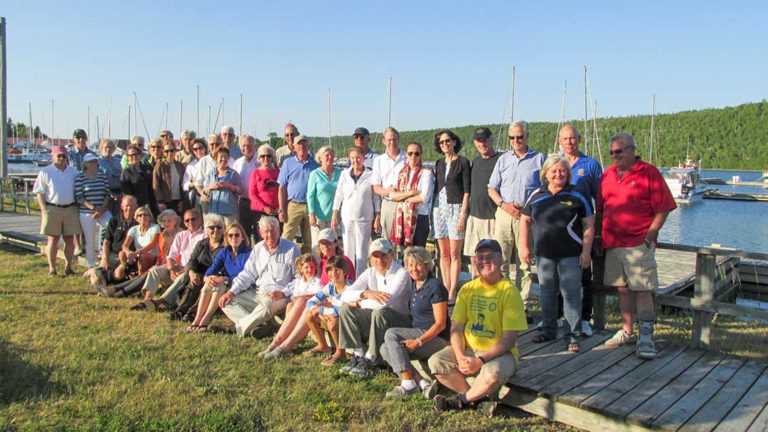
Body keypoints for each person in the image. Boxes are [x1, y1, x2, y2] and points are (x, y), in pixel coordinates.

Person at [598, 133, 676, 359]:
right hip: (613, 243)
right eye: (612, 152)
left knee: (642, 291)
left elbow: (664, 207)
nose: (615, 156)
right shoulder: (608, 174)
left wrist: (651, 235)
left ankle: (646, 338)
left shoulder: (649, 173)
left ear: (632, 150)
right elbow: (601, 207)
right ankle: (627, 331)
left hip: (638, 243)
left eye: (619, 151)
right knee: (622, 289)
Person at [429, 239, 527, 413]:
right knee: (435, 362)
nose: (485, 261)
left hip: (499, 354)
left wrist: (480, 360)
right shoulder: (467, 289)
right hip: (469, 349)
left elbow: (509, 339)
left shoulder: (510, 292)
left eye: (490, 256)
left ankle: (461, 400)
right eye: (480, 257)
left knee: (492, 375)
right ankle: (477, 399)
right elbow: (457, 328)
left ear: (501, 259)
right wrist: (459, 356)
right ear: (474, 261)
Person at [519, 154, 595, 352]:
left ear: (568, 173)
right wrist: (524, 247)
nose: (558, 174)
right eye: (554, 171)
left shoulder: (577, 194)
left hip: (571, 253)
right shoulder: (537, 194)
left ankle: (572, 334)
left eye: (562, 170)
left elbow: (589, 225)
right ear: (546, 173)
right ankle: (548, 329)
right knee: (547, 292)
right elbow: (524, 220)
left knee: (571, 293)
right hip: (544, 253)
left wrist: (586, 252)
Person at [487, 120, 546, 322]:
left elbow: (545, 188)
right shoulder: (503, 160)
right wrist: (504, 205)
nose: (516, 141)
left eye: (520, 137)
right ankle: (502, 303)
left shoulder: (539, 159)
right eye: (512, 138)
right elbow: (491, 188)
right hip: (504, 212)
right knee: (499, 260)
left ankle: (523, 306)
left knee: (525, 262)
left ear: (527, 137)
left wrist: (530, 208)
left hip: (527, 216)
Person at [380, 246, 450, 398]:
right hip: (417, 330)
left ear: (426, 264)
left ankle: (408, 384)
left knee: (391, 334)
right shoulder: (414, 284)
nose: (414, 269)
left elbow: (440, 324)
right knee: (385, 348)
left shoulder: (435, 286)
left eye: (418, 264)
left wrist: (418, 341)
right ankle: (421, 383)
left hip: (435, 338)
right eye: (410, 265)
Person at [337, 238, 411, 377]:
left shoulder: (401, 273)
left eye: (383, 255)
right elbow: (344, 295)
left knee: (379, 312)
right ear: (370, 258)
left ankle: (371, 358)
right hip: (377, 320)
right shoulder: (369, 272)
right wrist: (365, 293)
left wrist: (360, 302)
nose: (379, 259)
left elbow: (385, 302)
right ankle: (358, 354)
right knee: (346, 308)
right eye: (375, 256)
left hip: (400, 322)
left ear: (391, 254)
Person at [218, 216, 300, 337]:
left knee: (267, 306)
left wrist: (283, 292)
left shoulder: (292, 249)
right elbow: (248, 274)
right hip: (258, 293)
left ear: (279, 231)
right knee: (227, 302)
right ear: (261, 233)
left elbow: (299, 279)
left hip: (279, 296)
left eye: (273, 230)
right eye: (266, 231)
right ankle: (261, 325)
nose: (270, 235)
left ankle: (236, 328)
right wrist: (231, 292)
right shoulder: (258, 248)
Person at [559, 124, 603, 336]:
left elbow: (600, 198)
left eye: (573, 138)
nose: (569, 142)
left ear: (579, 139)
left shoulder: (591, 165)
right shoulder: (555, 164)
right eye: (565, 139)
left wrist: (598, 230)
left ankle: (585, 319)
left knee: (584, 275)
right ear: (560, 141)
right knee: (559, 274)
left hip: (582, 228)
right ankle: (560, 316)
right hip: (559, 229)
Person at [187, 222, 251, 332]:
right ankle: (197, 320)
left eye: (237, 235)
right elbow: (211, 270)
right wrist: (207, 278)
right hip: (227, 284)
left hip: (242, 286)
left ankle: (205, 320)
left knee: (219, 285)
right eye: (230, 235)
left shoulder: (248, 253)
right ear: (226, 237)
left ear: (243, 237)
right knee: (210, 284)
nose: (233, 238)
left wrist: (225, 280)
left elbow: (247, 277)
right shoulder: (225, 251)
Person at [259, 253, 323, 358]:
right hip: (296, 308)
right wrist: (281, 293)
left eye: (312, 267)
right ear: (301, 268)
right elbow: (287, 290)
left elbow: (320, 294)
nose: (309, 270)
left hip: (308, 307)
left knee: (300, 302)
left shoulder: (317, 282)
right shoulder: (298, 282)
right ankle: (275, 343)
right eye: (306, 267)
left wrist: (303, 297)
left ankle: (283, 345)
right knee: (290, 305)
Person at [432, 129, 471, 301]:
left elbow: (467, 191)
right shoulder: (439, 163)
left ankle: (453, 291)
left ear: (454, 142)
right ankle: (446, 287)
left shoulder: (463, 162)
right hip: (439, 208)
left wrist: (463, 214)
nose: (445, 144)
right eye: (441, 142)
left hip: (456, 208)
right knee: (444, 253)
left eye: (448, 141)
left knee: (455, 253)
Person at [331, 146, 381, 277]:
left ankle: (360, 280)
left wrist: (377, 216)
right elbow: (339, 194)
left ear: (363, 158)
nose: (355, 160)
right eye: (352, 158)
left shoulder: (370, 175)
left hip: (364, 219)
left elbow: (376, 198)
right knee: (348, 251)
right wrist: (335, 213)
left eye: (358, 157)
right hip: (347, 218)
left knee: (362, 252)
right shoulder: (344, 174)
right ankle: (348, 278)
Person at [167, 213, 226, 321]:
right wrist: (191, 272)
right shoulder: (202, 243)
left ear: (223, 229)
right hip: (200, 273)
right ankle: (180, 310)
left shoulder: (226, 246)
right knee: (195, 279)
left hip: (217, 276)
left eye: (219, 227)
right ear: (206, 230)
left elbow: (224, 267)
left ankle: (193, 312)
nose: (215, 230)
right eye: (212, 228)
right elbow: (192, 259)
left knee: (206, 282)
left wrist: (207, 277)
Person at [33, 145, 81, 276]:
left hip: (71, 208)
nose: (61, 158)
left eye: (64, 156)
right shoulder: (45, 172)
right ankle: (52, 268)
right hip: (52, 208)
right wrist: (44, 209)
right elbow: (39, 192)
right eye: (59, 155)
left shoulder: (74, 172)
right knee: (53, 239)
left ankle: (68, 267)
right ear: (53, 156)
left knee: (69, 239)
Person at [464, 127, 502, 279]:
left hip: (493, 217)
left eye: (485, 140)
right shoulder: (476, 161)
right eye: (479, 141)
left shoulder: (501, 159)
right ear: (475, 143)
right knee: (474, 257)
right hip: (475, 216)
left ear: (491, 140)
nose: (483, 144)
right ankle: (476, 286)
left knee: (492, 258)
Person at [305, 255, 351, 365]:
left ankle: (341, 352)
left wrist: (322, 311)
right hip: (336, 317)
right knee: (310, 315)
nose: (333, 273)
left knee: (333, 321)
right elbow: (310, 302)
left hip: (350, 321)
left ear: (344, 272)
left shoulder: (350, 287)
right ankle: (322, 345)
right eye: (330, 270)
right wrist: (317, 311)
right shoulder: (330, 286)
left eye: (337, 270)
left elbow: (342, 310)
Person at [277, 135, 319, 253]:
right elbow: (281, 187)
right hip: (293, 205)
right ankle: (284, 263)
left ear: (308, 146)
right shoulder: (288, 163)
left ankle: (308, 266)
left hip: (311, 207)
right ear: (294, 147)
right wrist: (281, 209)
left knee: (310, 240)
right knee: (286, 237)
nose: (302, 146)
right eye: (299, 144)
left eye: (304, 143)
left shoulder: (315, 164)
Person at [390, 141, 434, 249]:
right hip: (402, 217)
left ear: (420, 155)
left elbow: (424, 198)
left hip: (420, 218)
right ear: (405, 154)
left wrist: (402, 197)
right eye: (410, 153)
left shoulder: (426, 173)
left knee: (418, 255)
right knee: (404, 254)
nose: (413, 156)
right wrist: (411, 193)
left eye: (417, 153)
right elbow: (392, 196)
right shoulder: (400, 173)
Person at [91, 195, 138, 290]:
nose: (129, 208)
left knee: (118, 275)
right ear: (122, 206)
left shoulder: (139, 221)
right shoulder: (114, 220)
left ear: (137, 206)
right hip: (113, 254)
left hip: (129, 257)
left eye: (132, 205)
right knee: (97, 273)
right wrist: (105, 258)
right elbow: (106, 242)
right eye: (127, 205)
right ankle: (98, 277)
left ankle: (107, 278)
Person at [75, 153, 112, 269]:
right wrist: (94, 208)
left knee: (111, 226)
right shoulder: (79, 177)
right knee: (90, 239)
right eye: (90, 162)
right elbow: (80, 198)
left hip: (103, 210)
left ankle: (107, 258)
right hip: (86, 212)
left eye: (94, 161)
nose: (92, 164)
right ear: (85, 164)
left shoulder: (102, 175)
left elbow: (107, 193)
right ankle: (91, 265)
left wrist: (101, 209)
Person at [371, 127, 406, 241]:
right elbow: (376, 187)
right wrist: (388, 191)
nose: (392, 143)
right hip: (387, 203)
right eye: (389, 140)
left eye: (394, 139)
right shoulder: (378, 161)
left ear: (398, 139)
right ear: (384, 141)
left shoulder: (407, 158)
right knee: (387, 241)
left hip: (405, 203)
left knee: (404, 241)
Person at [307, 146, 342, 245]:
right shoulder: (315, 174)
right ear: (320, 158)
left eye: (332, 155)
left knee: (334, 246)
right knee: (317, 246)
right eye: (327, 155)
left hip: (335, 217)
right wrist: (311, 214)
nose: (330, 157)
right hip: (319, 217)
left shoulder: (340, 173)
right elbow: (310, 196)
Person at [248, 144, 280, 243]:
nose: (265, 158)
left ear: (273, 157)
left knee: (276, 238)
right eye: (263, 156)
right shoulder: (255, 173)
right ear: (259, 158)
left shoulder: (279, 172)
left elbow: (283, 191)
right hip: (260, 212)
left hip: (276, 212)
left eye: (268, 156)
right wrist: (264, 208)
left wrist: (279, 208)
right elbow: (252, 194)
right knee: (262, 239)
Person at [202, 146, 241, 225]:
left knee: (229, 235)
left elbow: (240, 190)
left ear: (228, 158)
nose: (223, 159)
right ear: (216, 158)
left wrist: (229, 186)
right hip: (214, 212)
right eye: (221, 157)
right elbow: (204, 191)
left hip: (230, 212)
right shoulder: (210, 174)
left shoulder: (234, 174)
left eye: (225, 157)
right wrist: (210, 187)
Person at [119, 205, 160, 277]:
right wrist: (128, 252)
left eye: (145, 215)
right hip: (138, 255)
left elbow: (153, 244)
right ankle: (130, 275)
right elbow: (124, 246)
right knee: (122, 254)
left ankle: (140, 277)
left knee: (143, 257)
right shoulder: (133, 229)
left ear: (150, 217)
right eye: (140, 215)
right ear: (136, 218)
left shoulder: (155, 227)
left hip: (152, 256)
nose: (143, 217)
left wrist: (138, 252)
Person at [233, 135, 260, 240]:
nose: (246, 148)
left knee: (259, 233)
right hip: (243, 202)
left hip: (257, 202)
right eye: (243, 146)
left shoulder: (260, 160)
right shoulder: (237, 163)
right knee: (244, 233)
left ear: (254, 146)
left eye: (249, 145)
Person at [121, 145, 158, 216]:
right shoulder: (126, 172)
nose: (133, 157)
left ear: (140, 155)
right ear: (128, 157)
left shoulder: (148, 168)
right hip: (136, 207)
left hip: (152, 204)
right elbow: (126, 192)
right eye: (130, 155)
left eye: (135, 154)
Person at [153, 141, 187, 215]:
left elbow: (184, 184)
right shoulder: (160, 166)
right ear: (163, 152)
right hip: (165, 202)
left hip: (179, 202)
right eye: (166, 151)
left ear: (175, 151)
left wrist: (183, 201)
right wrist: (160, 202)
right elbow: (156, 185)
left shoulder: (180, 166)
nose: (169, 153)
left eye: (172, 150)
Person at [97, 138, 122, 218]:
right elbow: (98, 178)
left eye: (110, 147)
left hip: (118, 194)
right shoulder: (98, 161)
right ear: (101, 149)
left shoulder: (117, 161)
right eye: (106, 147)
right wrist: (109, 193)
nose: (108, 149)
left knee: (117, 217)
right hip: (104, 195)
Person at [183, 137, 207, 211]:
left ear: (205, 148)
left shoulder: (211, 162)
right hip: (196, 200)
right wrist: (192, 183)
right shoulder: (190, 166)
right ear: (192, 151)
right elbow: (184, 185)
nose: (198, 150)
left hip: (210, 199)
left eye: (200, 148)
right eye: (195, 149)